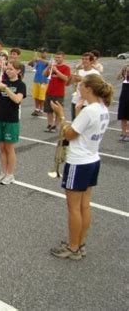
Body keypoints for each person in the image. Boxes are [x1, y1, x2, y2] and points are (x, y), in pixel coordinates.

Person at [49, 74, 113, 260]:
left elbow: (69, 134)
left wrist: (61, 115)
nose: (78, 88)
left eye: (81, 85)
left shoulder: (89, 111)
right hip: (92, 159)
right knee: (85, 205)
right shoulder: (101, 109)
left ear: (89, 89)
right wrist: (77, 113)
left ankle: (73, 247)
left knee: (74, 208)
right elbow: (84, 130)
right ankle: (80, 242)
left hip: (78, 162)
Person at [0, 61, 26, 185]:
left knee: (9, 147)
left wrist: (6, 89)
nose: (8, 71)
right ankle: (3, 172)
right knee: (2, 148)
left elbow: (17, 100)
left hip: (11, 119)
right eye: (7, 69)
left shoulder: (21, 85)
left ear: (18, 71)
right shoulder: (3, 81)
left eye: (11, 69)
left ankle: (10, 174)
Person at [42, 51, 71, 132]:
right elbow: (44, 74)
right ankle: (49, 124)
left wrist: (56, 71)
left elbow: (66, 78)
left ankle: (55, 126)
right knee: (48, 110)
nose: (57, 59)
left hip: (59, 93)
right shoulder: (52, 66)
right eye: (56, 57)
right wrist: (48, 67)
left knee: (57, 111)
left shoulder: (66, 67)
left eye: (59, 57)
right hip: (49, 91)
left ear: (63, 58)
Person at [70, 52, 100, 121]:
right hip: (76, 100)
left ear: (91, 61)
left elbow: (97, 86)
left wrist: (83, 79)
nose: (84, 61)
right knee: (74, 122)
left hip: (88, 102)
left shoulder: (95, 73)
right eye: (83, 59)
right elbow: (69, 83)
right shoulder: (79, 71)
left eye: (86, 59)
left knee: (85, 124)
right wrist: (72, 77)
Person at [28, 48, 49, 116]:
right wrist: (33, 60)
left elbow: (49, 64)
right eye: (41, 52)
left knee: (42, 97)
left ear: (46, 53)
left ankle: (41, 109)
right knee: (36, 96)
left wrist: (40, 59)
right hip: (36, 80)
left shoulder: (47, 60)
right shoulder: (38, 60)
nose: (42, 54)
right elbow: (29, 64)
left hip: (44, 81)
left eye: (44, 52)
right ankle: (36, 109)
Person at [116, 63, 129, 142]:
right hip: (124, 97)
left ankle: (127, 134)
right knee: (123, 116)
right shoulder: (125, 78)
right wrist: (122, 70)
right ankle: (123, 133)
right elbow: (117, 77)